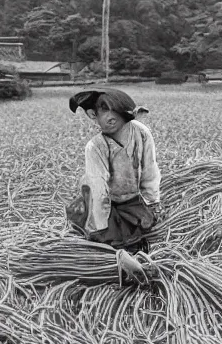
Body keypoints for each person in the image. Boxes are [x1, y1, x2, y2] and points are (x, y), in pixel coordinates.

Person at [64, 88, 161, 255]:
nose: (108, 116)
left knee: (144, 229)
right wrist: (99, 227)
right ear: (93, 115)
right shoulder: (95, 147)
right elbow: (98, 188)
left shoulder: (141, 133)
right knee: (110, 240)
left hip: (131, 199)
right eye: (102, 110)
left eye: (112, 109)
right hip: (103, 202)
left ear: (126, 112)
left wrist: (153, 202)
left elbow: (149, 169)